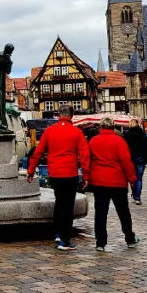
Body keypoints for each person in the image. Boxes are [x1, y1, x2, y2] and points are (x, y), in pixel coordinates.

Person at [27, 105, 90, 250]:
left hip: (54, 173)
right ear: (72, 116)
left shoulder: (49, 131)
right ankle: (65, 240)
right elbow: (84, 156)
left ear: (58, 115)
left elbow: (38, 152)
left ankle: (57, 233)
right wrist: (86, 175)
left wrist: (30, 171)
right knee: (68, 207)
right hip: (70, 173)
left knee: (59, 203)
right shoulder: (77, 132)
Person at [87, 117, 139, 251]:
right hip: (117, 182)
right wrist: (132, 179)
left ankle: (100, 242)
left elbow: (87, 161)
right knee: (123, 212)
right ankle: (130, 238)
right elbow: (126, 161)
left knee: (100, 213)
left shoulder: (93, 141)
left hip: (99, 182)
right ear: (113, 127)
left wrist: (86, 177)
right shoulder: (119, 141)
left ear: (101, 126)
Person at [123, 119, 147, 205]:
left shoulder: (127, 135)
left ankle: (134, 194)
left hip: (130, 159)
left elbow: (124, 147)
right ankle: (137, 197)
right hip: (140, 158)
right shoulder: (142, 133)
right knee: (139, 178)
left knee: (132, 178)